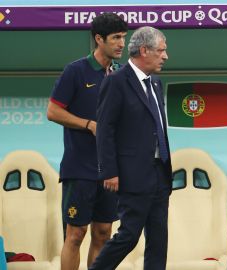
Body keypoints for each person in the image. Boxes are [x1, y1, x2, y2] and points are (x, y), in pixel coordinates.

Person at [47, 13, 128, 270]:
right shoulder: (75, 71)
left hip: (109, 172)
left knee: (104, 233)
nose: (121, 44)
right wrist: (88, 125)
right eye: (115, 38)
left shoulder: (120, 75)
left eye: (123, 38)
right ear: (98, 39)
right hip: (79, 169)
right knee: (75, 235)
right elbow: (53, 111)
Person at [89, 26, 172, 270]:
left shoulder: (155, 83)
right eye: (161, 51)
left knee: (159, 240)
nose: (165, 56)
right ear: (144, 50)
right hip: (132, 174)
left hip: (160, 172)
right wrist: (109, 171)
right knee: (129, 236)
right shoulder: (116, 81)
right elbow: (105, 131)